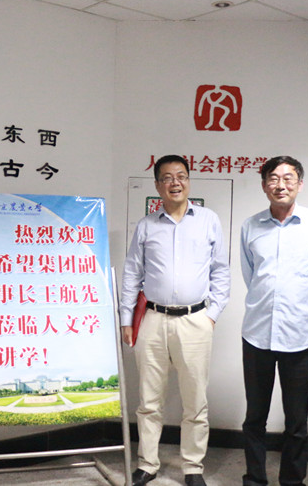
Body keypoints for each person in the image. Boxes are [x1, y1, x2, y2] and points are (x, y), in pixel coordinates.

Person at [121, 154, 231, 486]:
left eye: (181, 176)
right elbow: (132, 274)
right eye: (167, 177)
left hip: (195, 320)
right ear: (158, 185)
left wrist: (212, 315)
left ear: (188, 181)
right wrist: (127, 319)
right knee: (148, 399)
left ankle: (193, 467)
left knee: (195, 399)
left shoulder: (208, 220)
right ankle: (147, 463)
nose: (175, 183)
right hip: (152, 320)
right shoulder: (146, 225)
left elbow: (221, 271)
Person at [239, 156, 308, 486]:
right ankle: (254, 479)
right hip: (257, 334)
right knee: (254, 417)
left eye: (288, 178)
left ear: (300, 183)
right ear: (264, 184)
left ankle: (292, 481)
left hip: (300, 335)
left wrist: (304, 308)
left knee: (297, 420)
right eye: (273, 178)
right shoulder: (250, 226)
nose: (281, 185)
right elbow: (251, 275)